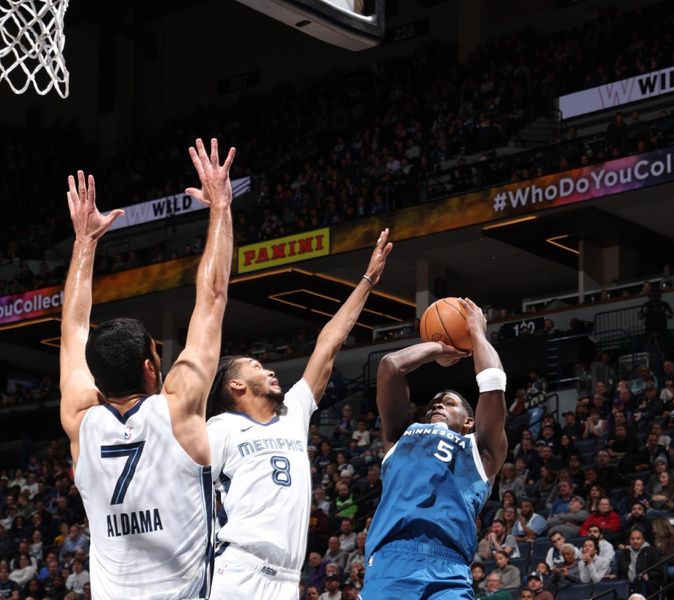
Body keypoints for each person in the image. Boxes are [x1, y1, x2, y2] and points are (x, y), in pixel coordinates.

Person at [59, 140, 235, 598]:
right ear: (151, 367)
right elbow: (212, 299)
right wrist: (220, 207)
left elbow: (73, 329)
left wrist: (84, 242)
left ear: (94, 377)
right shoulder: (178, 412)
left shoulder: (80, 420)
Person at [206, 229, 393, 600]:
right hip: (236, 570)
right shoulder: (220, 428)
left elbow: (329, 342)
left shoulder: (293, 413)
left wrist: (368, 280)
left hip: (288, 580)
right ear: (236, 386)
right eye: (256, 366)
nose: (270, 371)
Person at [361, 298, 508, 598]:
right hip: (392, 559)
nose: (438, 403)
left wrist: (475, 332)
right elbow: (391, 367)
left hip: (450, 567)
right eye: (433, 403)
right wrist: (441, 347)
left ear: (469, 420)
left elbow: (493, 383)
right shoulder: (401, 436)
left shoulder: (480, 449)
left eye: (449, 401)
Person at [617, 527, 661, 596]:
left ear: (643, 540)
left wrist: (649, 574)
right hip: (627, 585)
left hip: (646, 585)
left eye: (638, 539)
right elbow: (621, 571)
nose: (635, 541)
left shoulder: (652, 551)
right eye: (632, 539)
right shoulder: (625, 552)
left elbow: (658, 570)